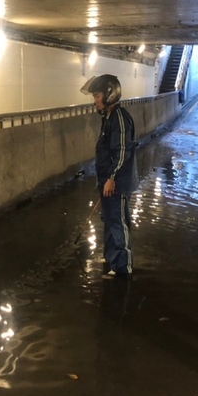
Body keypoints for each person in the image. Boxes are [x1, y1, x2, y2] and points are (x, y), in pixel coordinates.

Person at [80, 74, 139, 278]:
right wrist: (104, 181)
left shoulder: (119, 119)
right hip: (108, 183)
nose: (95, 100)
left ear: (109, 95)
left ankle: (123, 267)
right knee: (110, 220)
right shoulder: (109, 118)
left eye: (97, 96)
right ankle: (111, 258)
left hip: (117, 184)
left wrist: (112, 178)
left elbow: (122, 151)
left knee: (118, 222)